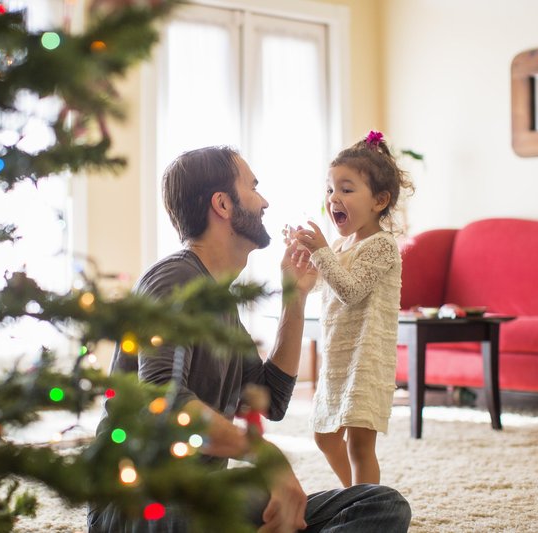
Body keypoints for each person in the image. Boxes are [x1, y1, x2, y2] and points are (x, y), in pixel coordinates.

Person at [87, 145, 411, 532]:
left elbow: (270, 400)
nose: (265, 201)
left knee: (380, 504)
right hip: (141, 503)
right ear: (223, 204)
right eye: (253, 187)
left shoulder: (220, 301)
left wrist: (295, 297)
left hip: (208, 494)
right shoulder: (174, 280)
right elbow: (164, 402)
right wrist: (263, 453)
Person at [288, 131, 414, 488]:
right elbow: (326, 288)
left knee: (359, 445)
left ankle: (366, 509)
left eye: (346, 189)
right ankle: (354, 497)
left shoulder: (382, 246)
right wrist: (306, 260)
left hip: (366, 356)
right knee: (325, 437)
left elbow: (352, 291)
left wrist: (322, 252)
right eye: (330, 189)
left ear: (379, 200)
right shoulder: (342, 245)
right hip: (339, 356)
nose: (334, 198)